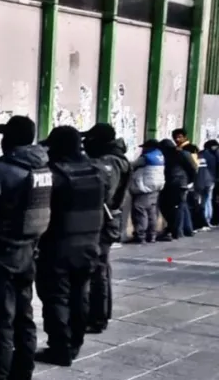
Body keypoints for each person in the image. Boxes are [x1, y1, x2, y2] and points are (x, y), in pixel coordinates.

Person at [0, 116, 51, 380]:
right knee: (24, 315)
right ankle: (23, 374)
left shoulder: (3, 170)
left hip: (3, 252)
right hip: (29, 249)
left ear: (11, 139)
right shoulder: (43, 167)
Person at [34, 126, 104, 367]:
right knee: (79, 295)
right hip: (89, 245)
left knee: (56, 299)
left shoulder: (55, 175)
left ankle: (60, 348)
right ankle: (75, 344)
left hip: (59, 246)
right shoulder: (95, 171)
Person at [82, 124, 131, 334]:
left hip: (104, 220)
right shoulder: (113, 158)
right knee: (101, 268)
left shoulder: (109, 162)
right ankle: (100, 314)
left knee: (98, 269)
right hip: (107, 219)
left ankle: (98, 317)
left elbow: (102, 193)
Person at [127, 140, 165, 244]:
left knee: (140, 210)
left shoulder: (146, 158)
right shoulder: (160, 156)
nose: (143, 149)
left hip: (144, 188)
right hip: (156, 187)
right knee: (151, 212)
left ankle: (140, 235)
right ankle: (152, 235)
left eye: (145, 147)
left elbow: (131, 165)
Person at [158, 138, 197, 241]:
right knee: (177, 207)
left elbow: (193, 169)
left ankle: (176, 231)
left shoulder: (180, 154)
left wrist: (189, 182)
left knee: (176, 207)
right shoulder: (175, 154)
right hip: (176, 183)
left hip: (177, 183)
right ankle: (181, 230)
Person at [192, 143, 213, 231]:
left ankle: (201, 223)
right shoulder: (203, 158)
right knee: (205, 203)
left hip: (200, 184)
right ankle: (206, 222)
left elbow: (198, 174)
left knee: (199, 205)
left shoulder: (196, 159)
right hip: (208, 182)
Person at [201, 139, 219, 227]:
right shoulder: (213, 155)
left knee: (205, 200)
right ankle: (208, 220)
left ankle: (205, 220)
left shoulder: (204, 155)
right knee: (209, 199)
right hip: (212, 180)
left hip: (205, 180)